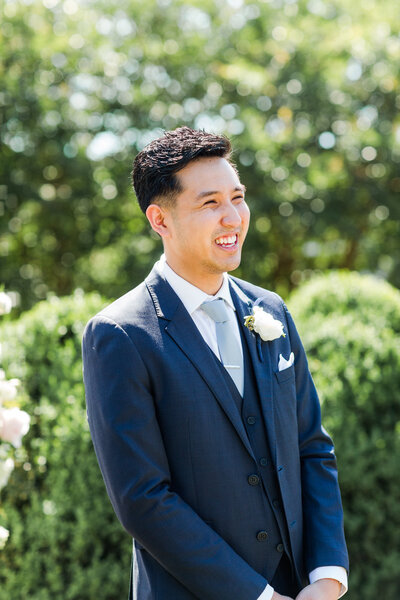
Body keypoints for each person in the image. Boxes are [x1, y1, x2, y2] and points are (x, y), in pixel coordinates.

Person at [82, 127, 349, 600]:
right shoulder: (120, 335)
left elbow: (311, 447)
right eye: (210, 204)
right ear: (159, 219)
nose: (233, 218)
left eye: (238, 198)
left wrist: (327, 576)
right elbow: (143, 500)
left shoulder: (272, 312)